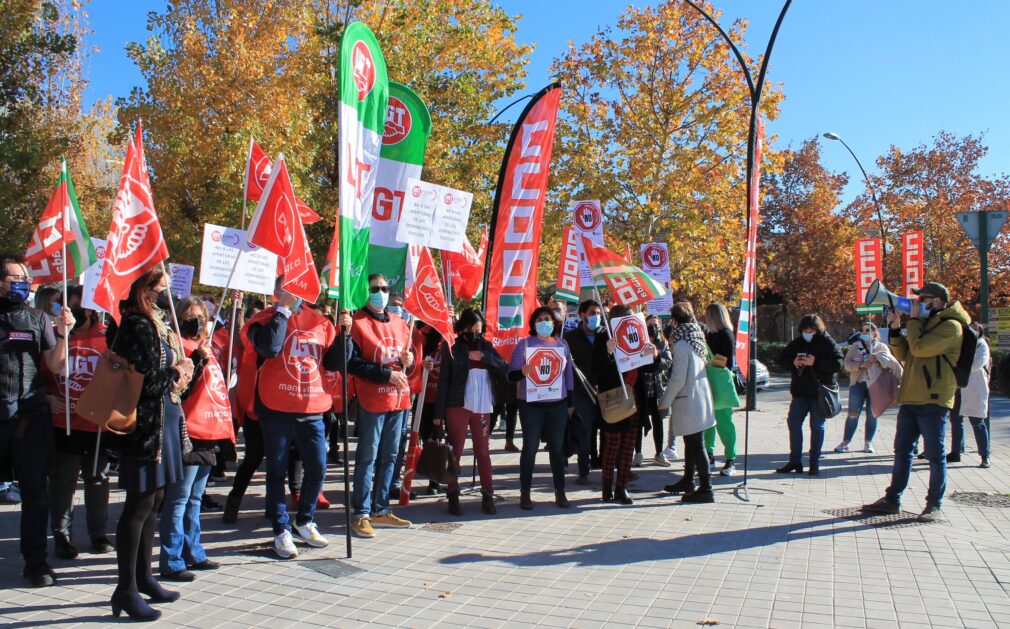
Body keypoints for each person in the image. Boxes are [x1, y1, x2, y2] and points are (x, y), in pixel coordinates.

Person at [107, 267, 193, 620]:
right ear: (146, 285)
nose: (168, 288)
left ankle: (144, 576)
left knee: (156, 500)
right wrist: (176, 372)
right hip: (146, 430)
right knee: (139, 505)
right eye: (161, 282)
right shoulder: (136, 325)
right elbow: (143, 382)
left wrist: (187, 368)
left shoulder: (159, 323)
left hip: (165, 421)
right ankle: (124, 589)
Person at [241, 279, 347, 557]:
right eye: (290, 290)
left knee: (319, 468)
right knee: (276, 471)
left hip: (312, 408)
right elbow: (270, 348)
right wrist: (283, 312)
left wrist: (345, 333)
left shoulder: (321, 323)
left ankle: (305, 520)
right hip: (276, 407)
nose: (296, 295)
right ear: (277, 292)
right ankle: (280, 529)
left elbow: (335, 362)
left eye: (300, 289)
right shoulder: (261, 320)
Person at [864, 282, 970, 522]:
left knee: (935, 454)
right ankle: (893, 499)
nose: (917, 303)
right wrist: (895, 329)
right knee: (902, 451)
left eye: (923, 299)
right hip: (911, 396)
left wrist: (912, 321)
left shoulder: (952, 327)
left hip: (934, 398)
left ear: (938, 301)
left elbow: (921, 348)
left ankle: (934, 504)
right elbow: (905, 355)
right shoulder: (925, 324)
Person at [0, 255, 74, 587]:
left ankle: (36, 563)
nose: (22, 283)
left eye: (26, 278)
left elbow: (56, 365)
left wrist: (63, 335)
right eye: (15, 277)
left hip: (30, 419)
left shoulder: (37, 318)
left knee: (36, 494)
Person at [159, 297, 235, 581]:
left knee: (194, 498)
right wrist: (197, 360)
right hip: (187, 431)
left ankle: (195, 552)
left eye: (202, 316)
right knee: (179, 499)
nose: (198, 321)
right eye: (191, 316)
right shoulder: (179, 348)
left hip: (208, 432)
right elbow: (182, 390)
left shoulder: (207, 348)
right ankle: (172, 559)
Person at [45, 287, 113, 560]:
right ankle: (62, 535)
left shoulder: (107, 337)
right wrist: (48, 397)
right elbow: (41, 373)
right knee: (63, 482)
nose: (70, 315)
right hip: (65, 423)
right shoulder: (53, 336)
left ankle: (98, 533)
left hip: (97, 426)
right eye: (65, 308)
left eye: (75, 308)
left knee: (98, 480)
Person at [347, 274, 415, 538]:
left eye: (385, 288)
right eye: (375, 288)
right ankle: (361, 513)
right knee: (368, 457)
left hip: (399, 399)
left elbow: (407, 361)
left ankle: (380, 509)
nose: (381, 293)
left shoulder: (399, 322)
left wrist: (409, 358)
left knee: (390, 456)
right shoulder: (357, 322)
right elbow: (352, 363)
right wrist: (385, 375)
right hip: (373, 399)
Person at [433, 308, 509, 515]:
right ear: (463, 328)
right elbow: (444, 381)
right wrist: (438, 413)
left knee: (483, 452)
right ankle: (453, 494)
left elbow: (504, 367)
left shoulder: (486, 346)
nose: (475, 334)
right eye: (471, 329)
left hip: (483, 406)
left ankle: (487, 494)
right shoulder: (451, 347)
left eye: (479, 330)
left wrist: (484, 357)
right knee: (455, 452)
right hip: (458, 405)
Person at [508, 306, 575, 509]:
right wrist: (522, 371)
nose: (543, 322)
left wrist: (570, 402)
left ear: (554, 323)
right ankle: (525, 493)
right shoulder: (524, 345)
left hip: (558, 405)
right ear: (533, 323)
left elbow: (568, 375)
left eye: (547, 319)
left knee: (557, 449)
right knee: (530, 448)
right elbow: (510, 375)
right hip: (531, 405)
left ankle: (560, 492)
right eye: (539, 319)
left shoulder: (562, 345)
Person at [660, 302, 717, 503]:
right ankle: (688, 480)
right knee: (691, 442)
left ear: (674, 321)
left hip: (690, 401)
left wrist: (665, 401)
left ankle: (706, 487)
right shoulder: (696, 336)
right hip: (699, 399)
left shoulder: (682, 344)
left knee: (696, 444)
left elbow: (678, 378)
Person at [775, 314, 844, 476]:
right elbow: (781, 359)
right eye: (805, 330)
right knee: (793, 423)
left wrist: (816, 362)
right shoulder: (797, 342)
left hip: (820, 394)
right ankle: (795, 461)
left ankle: (814, 463)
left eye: (811, 330)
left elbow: (838, 364)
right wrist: (794, 362)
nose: (807, 332)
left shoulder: (828, 342)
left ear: (818, 329)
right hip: (800, 392)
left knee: (817, 427)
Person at [596, 304, 648, 505]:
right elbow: (596, 370)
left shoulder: (639, 336)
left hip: (635, 399)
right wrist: (608, 353)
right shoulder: (604, 338)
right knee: (612, 446)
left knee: (628, 447)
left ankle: (622, 487)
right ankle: (607, 487)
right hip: (615, 398)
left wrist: (654, 354)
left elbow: (651, 367)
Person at [836, 322, 898, 454]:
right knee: (853, 413)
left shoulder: (881, 347)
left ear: (875, 332)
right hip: (858, 383)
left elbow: (889, 364)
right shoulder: (855, 346)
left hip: (876, 384)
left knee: (872, 414)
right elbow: (846, 364)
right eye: (862, 330)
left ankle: (868, 442)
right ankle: (845, 442)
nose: (865, 332)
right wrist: (860, 365)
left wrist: (877, 361)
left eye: (868, 330)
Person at [563, 299, 605, 484]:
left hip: (605, 391)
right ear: (582, 315)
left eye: (598, 313)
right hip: (581, 392)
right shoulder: (571, 338)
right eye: (592, 313)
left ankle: (606, 465)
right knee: (585, 431)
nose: (596, 317)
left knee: (606, 430)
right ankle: (583, 470)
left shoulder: (606, 335)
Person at [949, 321, 991, 468]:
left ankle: (985, 455)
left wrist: (960, 363)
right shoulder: (963, 346)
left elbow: (976, 365)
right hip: (959, 387)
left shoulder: (981, 346)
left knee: (977, 422)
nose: (972, 332)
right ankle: (956, 451)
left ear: (979, 332)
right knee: (955, 419)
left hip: (974, 389)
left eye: (975, 329)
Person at [703, 303, 738, 475]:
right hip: (710, 383)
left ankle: (731, 458)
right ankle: (708, 455)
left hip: (720, 385)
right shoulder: (710, 335)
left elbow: (727, 363)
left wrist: (709, 362)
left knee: (724, 424)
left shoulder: (726, 335)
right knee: (708, 423)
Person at [634, 314, 672, 468]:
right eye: (650, 325)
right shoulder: (637, 342)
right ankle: (638, 453)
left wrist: (657, 356)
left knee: (658, 421)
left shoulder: (663, 343)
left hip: (656, 388)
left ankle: (659, 453)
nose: (653, 328)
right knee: (639, 421)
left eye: (656, 325)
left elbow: (668, 363)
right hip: (641, 387)